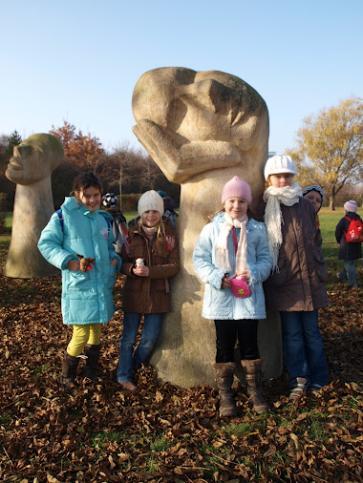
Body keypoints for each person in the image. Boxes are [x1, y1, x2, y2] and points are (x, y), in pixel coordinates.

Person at [193, 176, 272, 416]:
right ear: (224, 202)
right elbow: (200, 259)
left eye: (241, 201)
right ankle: (226, 395)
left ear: (248, 204)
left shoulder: (257, 230)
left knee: (250, 344)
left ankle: (255, 390)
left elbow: (266, 259)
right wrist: (218, 277)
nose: (236, 206)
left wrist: (255, 273)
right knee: (223, 345)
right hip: (222, 299)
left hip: (249, 300)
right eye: (231, 201)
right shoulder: (211, 229)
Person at [38, 172, 121, 386]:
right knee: (81, 332)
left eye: (96, 195)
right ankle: (67, 374)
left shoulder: (103, 219)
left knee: (96, 330)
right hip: (79, 287)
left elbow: (111, 247)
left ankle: (91, 368)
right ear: (77, 194)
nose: (93, 200)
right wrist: (71, 262)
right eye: (88, 195)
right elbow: (46, 244)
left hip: (101, 285)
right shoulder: (63, 216)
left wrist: (114, 262)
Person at [263, 155, 329, 399]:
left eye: (287, 176)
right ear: (269, 178)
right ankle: (298, 379)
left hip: (309, 281)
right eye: (278, 176)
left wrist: (318, 268)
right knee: (292, 335)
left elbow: (315, 241)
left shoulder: (305, 206)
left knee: (312, 332)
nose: (283, 180)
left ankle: (320, 376)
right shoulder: (266, 207)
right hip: (286, 283)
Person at [117, 190, 179, 391]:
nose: (150, 216)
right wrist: (132, 270)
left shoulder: (169, 234)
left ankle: (132, 368)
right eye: (146, 212)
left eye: (154, 211)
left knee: (149, 340)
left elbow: (174, 266)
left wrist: (150, 272)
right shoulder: (131, 234)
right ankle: (123, 375)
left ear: (160, 212)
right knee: (128, 338)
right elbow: (121, 263)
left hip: (158, 296)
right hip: (134, 293)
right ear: (140, 213)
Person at [335, 200, 362, 288]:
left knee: (349, 264)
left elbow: (337, 231)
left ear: (346, 209)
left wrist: (339, 241)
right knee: (349, 262)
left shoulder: (344, 220)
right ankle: (342, 276)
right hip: (357, 245)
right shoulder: (359, 219)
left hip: (346, 246)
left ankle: (353, 283)